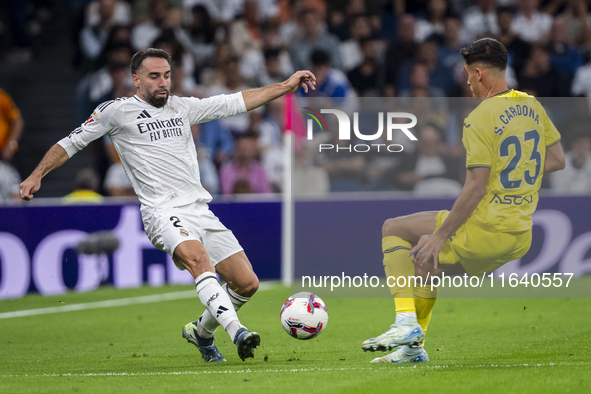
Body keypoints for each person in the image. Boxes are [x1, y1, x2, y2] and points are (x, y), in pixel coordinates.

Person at [19, 48, 316, 362]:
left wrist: (285, 86)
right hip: (161, 212)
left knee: (247, 283)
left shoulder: (182, 107)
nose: (163, 83)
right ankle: (237, 332)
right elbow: (71, 142)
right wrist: (36, 175)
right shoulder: (115, 111)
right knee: (199, 260)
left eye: (167, 75)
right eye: (154, 76)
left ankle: (201, 333)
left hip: (199, 209)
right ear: (136, 80)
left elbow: (234, 102)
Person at [362, 38, 565, 363]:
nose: (467, 81)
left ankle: (404, 322)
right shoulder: (532, 105)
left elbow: (475, 188)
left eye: (469, 74)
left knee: (394, 229)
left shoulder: (480, 117)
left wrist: (441, 235)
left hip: (487, 230)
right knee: (427, 261)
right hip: (520, 234)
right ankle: (413, 350)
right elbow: (556, 160)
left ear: (480, 73)